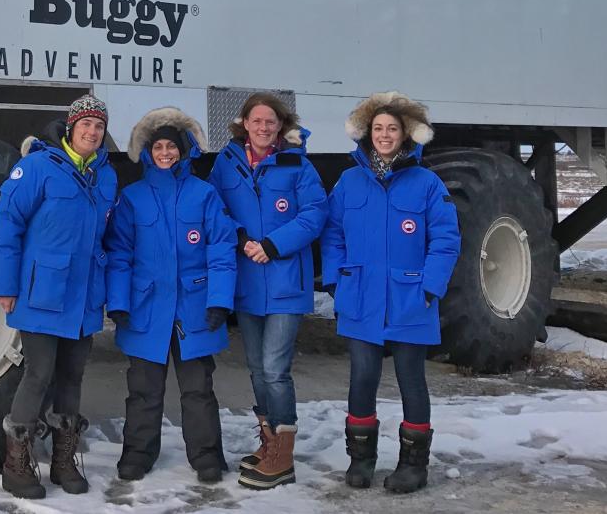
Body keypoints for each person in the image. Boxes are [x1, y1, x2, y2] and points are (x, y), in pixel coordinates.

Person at [321, 91, 460, 494]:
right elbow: (332, 233)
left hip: (410, 298)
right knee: (362, 378)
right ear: (368, 133)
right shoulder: (349, 182)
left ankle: (413, 467)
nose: (384, 135)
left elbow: (446, 239)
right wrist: (336, 278)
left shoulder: (427, 183)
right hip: (360, 296)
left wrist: (430, 288)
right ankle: (361, 461)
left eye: (392, 129)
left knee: (410, 380)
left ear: (405, 135)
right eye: (378, 128)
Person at [0, 94, 117, 499]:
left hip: (83, 296)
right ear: (70, 127)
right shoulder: (37, 167)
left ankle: (63, 461)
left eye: (99, 126)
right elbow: (8, 224)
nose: (92, 132)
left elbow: (108, 236)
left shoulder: (107, 175)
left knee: (72, 376)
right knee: (39, 373)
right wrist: (6, 285)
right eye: (86, 124)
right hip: (41, 292)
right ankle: (17, 463)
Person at [104, 107, 237, 484]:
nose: (165, 153)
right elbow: (120, 253)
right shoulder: (132, 198)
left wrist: (219, 300)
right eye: (158, 147)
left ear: (184, 150)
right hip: (147, 308)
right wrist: (119, 303)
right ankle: (137, 454)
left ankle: (207, 455)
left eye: (171, 147)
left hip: (193, 308)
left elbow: (221, 249)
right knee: (143, 389)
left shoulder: (204, 194)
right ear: (148, 152)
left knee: (198, 389)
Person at [207, 93, 328, 490]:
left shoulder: (298, 165)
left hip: (284, 282)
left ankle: (284, 457)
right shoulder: (226, 164)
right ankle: (271, 440)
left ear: (280, 126)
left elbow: (315, 214)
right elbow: (215, 207)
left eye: (270, 122)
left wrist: (272, 245)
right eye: (256, 121)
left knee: (275, 369)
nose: (263, 128)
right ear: (244, 123)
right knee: (258, 368)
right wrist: (240, 236)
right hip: (246, 281)